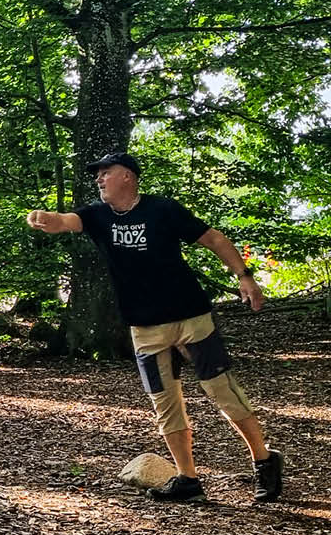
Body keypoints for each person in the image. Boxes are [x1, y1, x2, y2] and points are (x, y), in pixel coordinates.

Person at [25, 152, 283, 504]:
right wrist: (46, 219)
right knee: (165, 404)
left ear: (128, 177)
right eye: (96, 175)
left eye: (106, 172)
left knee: (221, 391)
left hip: (191, 318)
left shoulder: (163, 209)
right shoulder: (96, 216)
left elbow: (215, 239)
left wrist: (245, 278)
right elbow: (65, 221)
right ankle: (187, 478)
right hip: (144, 328)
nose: (99, 179)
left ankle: (264, 460)